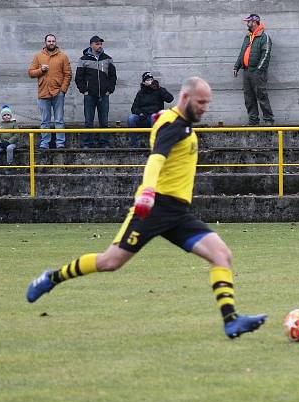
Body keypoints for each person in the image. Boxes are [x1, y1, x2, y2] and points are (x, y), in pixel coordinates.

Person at [26, 76, 267, 340]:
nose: (204, 108)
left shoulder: (179, 124)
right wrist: (148, 193)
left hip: (177, 213)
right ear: (185, 98)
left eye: (207, 103)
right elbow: (156, 159)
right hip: (154, 208)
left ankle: (231, 321)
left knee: (222, 255)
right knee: (110, 262)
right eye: (200, 102)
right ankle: (51, 278)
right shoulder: (174, 125)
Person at [28, 33, 72, 149]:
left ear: (55, 42)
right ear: (45, 43)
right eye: (49, 41)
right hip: (43, 93)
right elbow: (31, 73)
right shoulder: (38, 56)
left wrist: (63, 90)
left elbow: (68, 75)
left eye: (53, 41)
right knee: (44, 121)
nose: (51, 43)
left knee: (59, 120)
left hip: (58, 93)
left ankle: (60, 144)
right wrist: (40, 70)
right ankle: (44, 143)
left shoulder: (63, 56)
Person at [75, 35, 117, 148]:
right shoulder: (83, 60)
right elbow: (78, 77)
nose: (99, 46)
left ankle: (104, 143)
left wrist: (110, 90)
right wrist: (84, 90)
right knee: (88, 121)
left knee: (104, 121)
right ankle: (87, 143)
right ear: (91, 45)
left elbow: (113, 76)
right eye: (97, 44)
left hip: (104, 95)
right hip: (89, 95)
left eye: (100, 44)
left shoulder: (107, 58)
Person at [233, 14, 274, 126]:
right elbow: (242, 53)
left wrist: (259, 69)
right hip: (246, 72)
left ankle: (268, 120)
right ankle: (253, 121)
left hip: (257, 72)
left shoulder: (264, 37)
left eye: (248, 21)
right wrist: (237, 67)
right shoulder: (248, 37)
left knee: (261, 95)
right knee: (249, 97)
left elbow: (266, 54)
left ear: (255, 22)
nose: (247, 23)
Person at [127, 72, 174, 147]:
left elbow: (170, 99)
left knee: (153, 117)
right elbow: (134, 107)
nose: (150, 81)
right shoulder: (140, 93)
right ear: (143, 82)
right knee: (131, 118)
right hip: (143, 117)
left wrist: (159, 88)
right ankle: (134, 145)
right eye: (148, 80)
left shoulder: (159, 90)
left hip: (154, 117)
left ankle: (155, 145)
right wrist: (140, 113)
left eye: (151, 79)